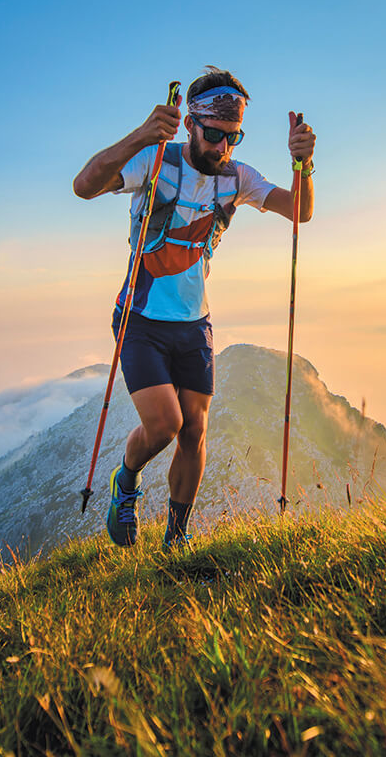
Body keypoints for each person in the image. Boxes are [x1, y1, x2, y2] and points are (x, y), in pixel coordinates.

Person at [72, 67, 315, 549]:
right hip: (140, 318)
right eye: (214, 135)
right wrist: (142, 134)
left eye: (233, 137)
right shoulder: (154, 161)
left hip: (194, 324)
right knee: (165, 425)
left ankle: (175, 540)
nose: (223, 148)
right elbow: (84, 185)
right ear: (189, 124)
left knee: (194, 430)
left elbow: (300, 211)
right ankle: (127, 480)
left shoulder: (237, 178)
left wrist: (304, 166)